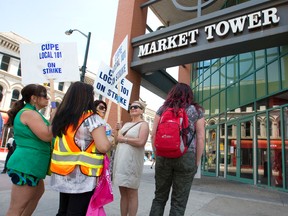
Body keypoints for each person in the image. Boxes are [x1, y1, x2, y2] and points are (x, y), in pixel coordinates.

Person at [50, 82, 112, 216]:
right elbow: (103, 146)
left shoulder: (61, 117)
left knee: (63, 211)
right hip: (83, 175)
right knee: (76, 212)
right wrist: (111, 141)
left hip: (63, 172)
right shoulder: (92, 119)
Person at [149, 83, 205, 216]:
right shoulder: (196, 111)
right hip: (187, 156)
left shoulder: (162, 109)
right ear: (189, 95)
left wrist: (158, 157)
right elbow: (201, 138)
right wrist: (196, 162)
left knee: (159, 198)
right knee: (179, 203)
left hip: (163, 156)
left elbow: (153, 135)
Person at [5, 84, 54, 216]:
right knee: (17, 207)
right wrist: (55, 118)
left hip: (32, 165)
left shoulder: (33, 113)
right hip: (27, 164)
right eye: (44, 95)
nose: (47, 99)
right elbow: (47, 135)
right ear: (34, 98)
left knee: (35, 195)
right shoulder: (29, 113)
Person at [113, 100, 150, 216]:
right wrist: (117, 131)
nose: (133, 108)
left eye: (136, 107)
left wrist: (124, 139)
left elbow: (141, 142)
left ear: (142, 111)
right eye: (131, 107)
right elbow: (115, 142)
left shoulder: (144, 124)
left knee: (132, 193)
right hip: (120, 162)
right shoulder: (125, 125)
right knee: (123, 194)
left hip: (132, 163)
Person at [94, 99, 115, 177]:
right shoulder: (89, 122)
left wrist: (114, 137)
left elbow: (111, 143)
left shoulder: (107, 125)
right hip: (89, 159)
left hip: (103, 159)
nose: (104, 110)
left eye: (105, 109)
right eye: (101, 107)